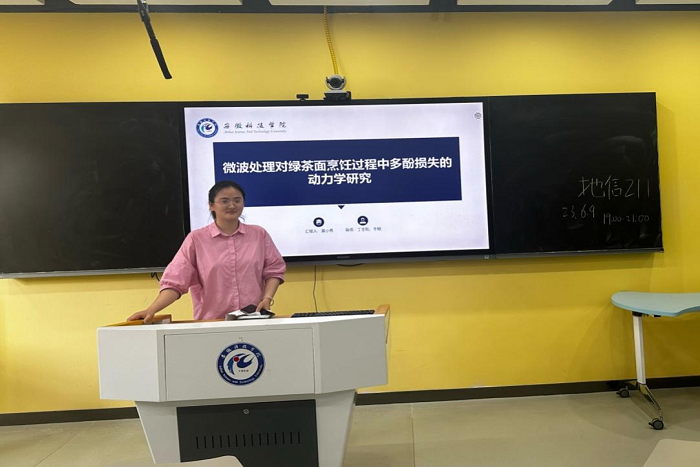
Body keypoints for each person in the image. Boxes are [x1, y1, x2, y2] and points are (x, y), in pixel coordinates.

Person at [127, 180, 285, 323]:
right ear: (211, 205)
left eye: (237, 200)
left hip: (253, 320)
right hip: (211, 323)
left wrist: (267, 298)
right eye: (224, 201)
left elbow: (274, 269)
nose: (232, 205)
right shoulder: (196, 239)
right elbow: (175, 282)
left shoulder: (258, 234)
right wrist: (151, 310)